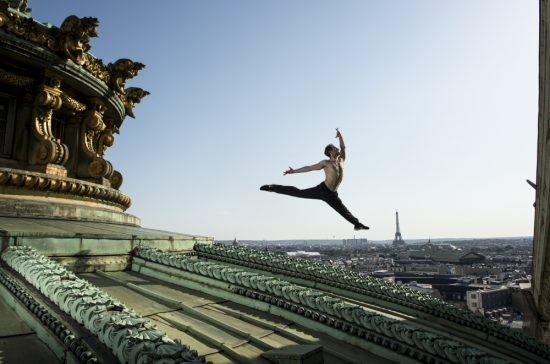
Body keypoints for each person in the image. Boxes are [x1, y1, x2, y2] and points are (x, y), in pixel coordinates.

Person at [260, 128, 369, 231]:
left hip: (332, 194)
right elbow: (309, 168)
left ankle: (357, 224)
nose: (338, 149)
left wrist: (340, 136)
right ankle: (272, 187)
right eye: (335, 148)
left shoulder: (341, 160)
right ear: (331, 151)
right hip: (322, 190)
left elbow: (343, 147)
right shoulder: (325, 163)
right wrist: (294, 171)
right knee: (298, 192)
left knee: (343, 211)